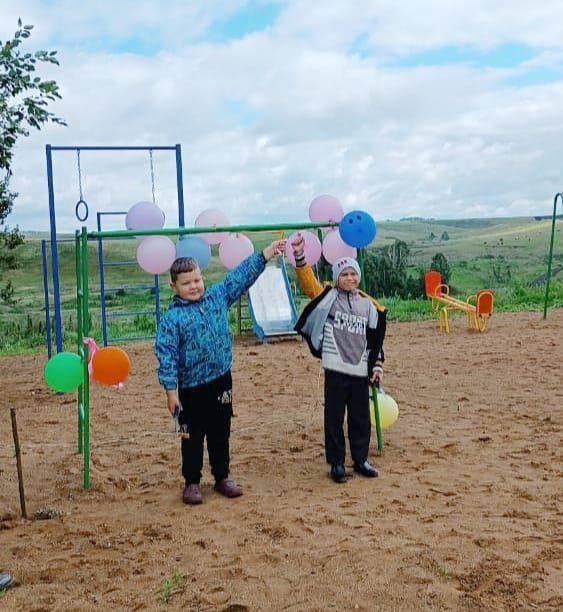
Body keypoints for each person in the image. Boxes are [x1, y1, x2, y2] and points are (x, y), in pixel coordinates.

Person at [155, 239, 285, 505]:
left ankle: (222, 476)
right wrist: (171, 392)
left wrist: (265, 254)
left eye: (197, 280)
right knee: (190, 435)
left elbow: (239, 277)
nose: (194, 286)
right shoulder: (171, 319)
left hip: (221, 381)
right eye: (186, 283)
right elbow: (166, 356)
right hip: (189, 388)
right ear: (174, 287)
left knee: (220, 431)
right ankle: (192, 482)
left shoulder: (217, 297)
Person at [291, 235, 386, 483]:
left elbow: (375, 341)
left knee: (360, 418)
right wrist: (300, 256)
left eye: (353, 274)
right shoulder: (328, 298)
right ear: (336, 278)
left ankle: (360, 459)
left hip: (359, 370)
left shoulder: (368, 306)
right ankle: (336, 464)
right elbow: (308, 283)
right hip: (335, 367)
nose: (350, 279)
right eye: (344, 275)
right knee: (333, 417)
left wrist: (376, 366)